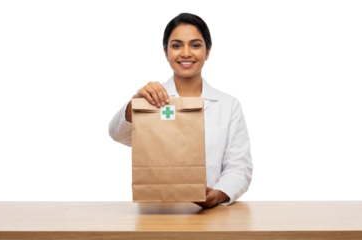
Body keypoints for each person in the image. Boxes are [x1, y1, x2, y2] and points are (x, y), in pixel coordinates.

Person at [106, 12, 254, 208]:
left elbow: (240, 167)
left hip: (209, 216)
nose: (186, 53)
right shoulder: (147, 96)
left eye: (195, 45)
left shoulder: (230, 104)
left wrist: (217, 195)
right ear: (165, 53)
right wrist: (135, 105)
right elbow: (116, 135)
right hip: (155, 214)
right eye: (176, 45)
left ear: (208, 52)